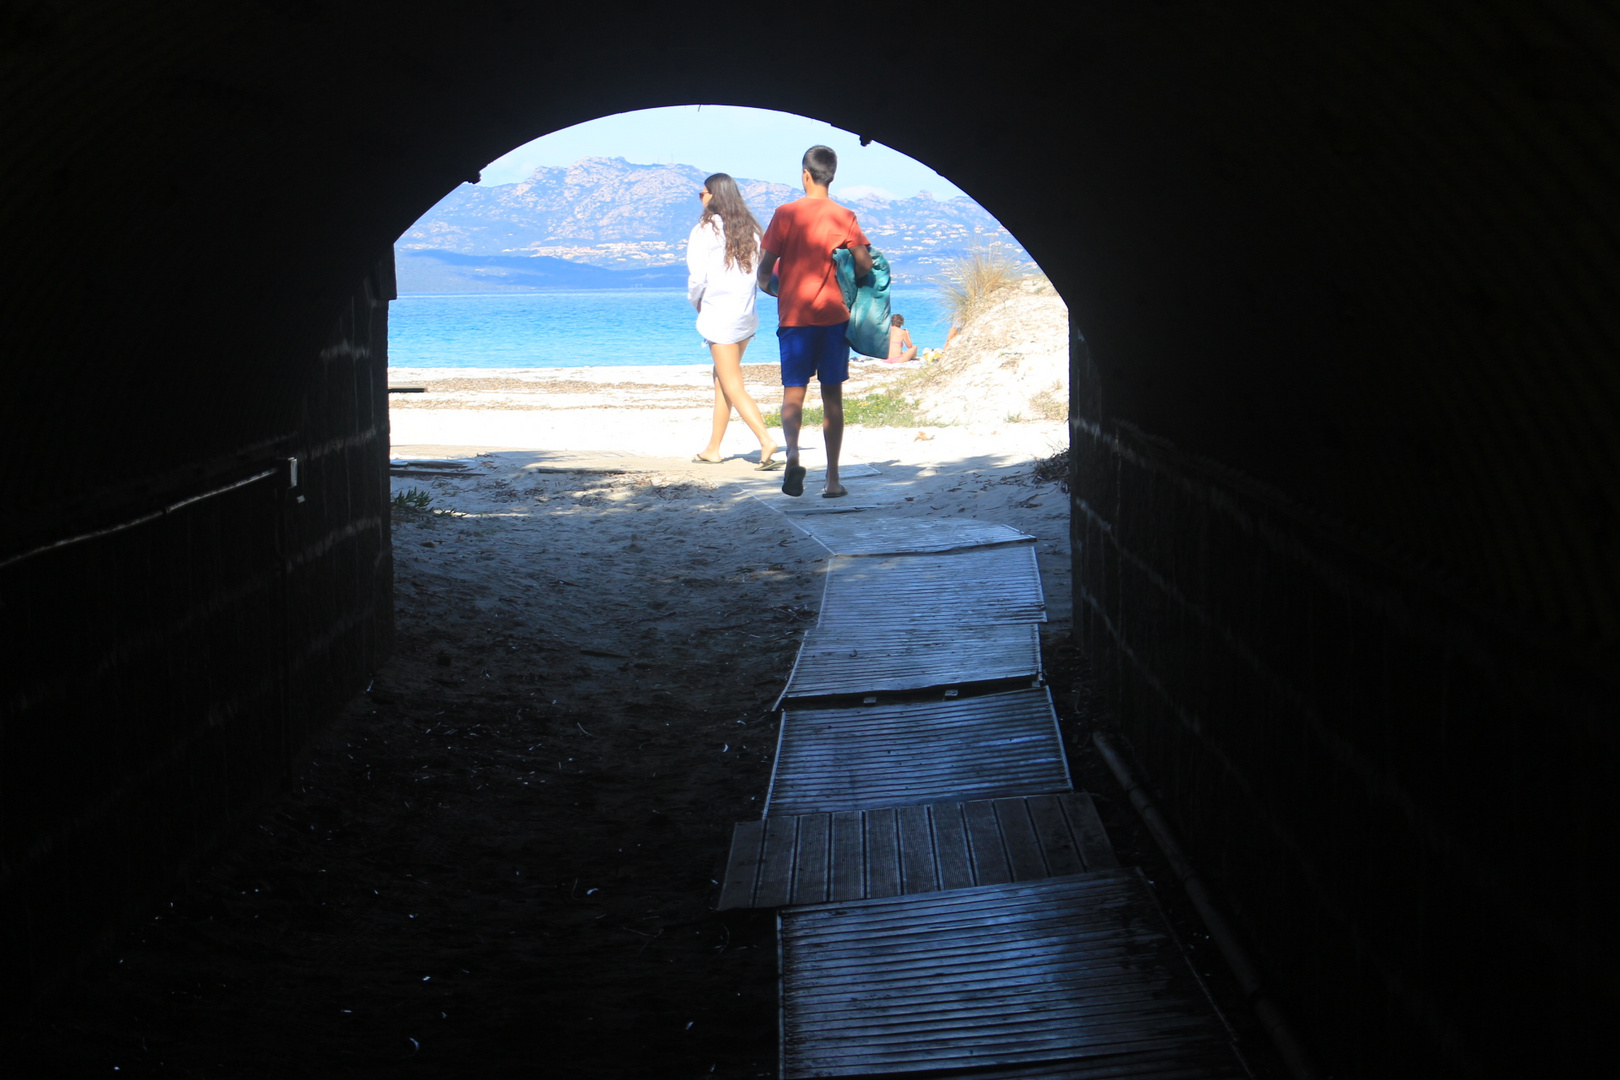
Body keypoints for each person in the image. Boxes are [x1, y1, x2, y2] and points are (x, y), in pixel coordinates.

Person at [755, 146, 872, 498]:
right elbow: (864, 264)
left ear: (805, 174)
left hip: (795, 317)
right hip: (834, 317)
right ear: (831, 175)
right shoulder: (844, 215)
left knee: (794, 393)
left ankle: (792, 456)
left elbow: (764, 268)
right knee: (832, 397)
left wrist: (771, 287)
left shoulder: (785, 213)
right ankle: (833, 480)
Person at [686, 172, 779, 468]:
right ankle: (713, 448)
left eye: (703, 193)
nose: (700, 198)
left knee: (733, 383)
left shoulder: (705, 230)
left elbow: (697, 278)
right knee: (723, 381)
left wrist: (697, 304)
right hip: (745, 314)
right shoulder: (751, 229)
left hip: (719, 313)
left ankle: (766, 439)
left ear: (714, 195)